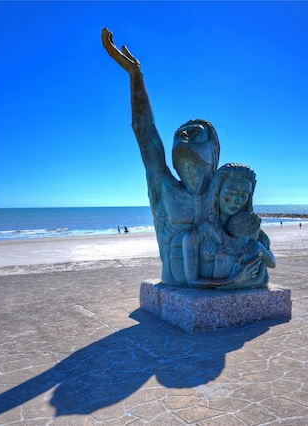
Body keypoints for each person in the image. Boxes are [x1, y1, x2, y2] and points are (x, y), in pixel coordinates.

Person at [102, 29, 220, 286]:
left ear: (213, 149)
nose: (184, 138)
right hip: (176, 277)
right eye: (180, 135)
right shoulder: (164, 185)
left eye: (195, 134)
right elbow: (144, 130)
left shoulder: (222, 193)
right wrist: (136, 76)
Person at [182, 164, 267, 289]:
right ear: (217, 192)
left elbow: (262, 279)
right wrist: (233, 281)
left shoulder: (255, 235)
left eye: (244, 195)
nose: (238, 201)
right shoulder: (194, 236)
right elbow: (192, 281)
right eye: (231, 193)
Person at [213, 211, 276, 289]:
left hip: (221, 282)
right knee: (261, 257)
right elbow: (272, 263)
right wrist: (265, 243)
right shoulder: (255, 246)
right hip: (253, 282)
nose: (259, 233)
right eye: (258, 230)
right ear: (253, 229)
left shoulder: (222, 248)